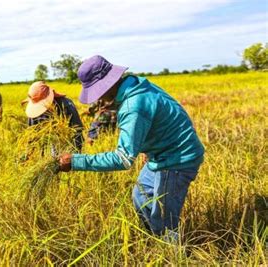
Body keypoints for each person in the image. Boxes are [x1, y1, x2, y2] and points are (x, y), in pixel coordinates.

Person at [58, 55, 205, 239]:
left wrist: (75, 161)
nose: (99, 97)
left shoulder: (133, 105)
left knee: (164, 218)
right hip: (160, 154)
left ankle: (172, 254)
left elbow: (123, 158)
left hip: (176, 159)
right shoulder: (136, 83)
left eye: (99, 91)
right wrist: (149, 147)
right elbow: (170, 112)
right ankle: (155, 239)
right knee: (141, 197)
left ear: (108, 84)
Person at [23, 81, 84, 153]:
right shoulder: (34, 112)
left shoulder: (66, 104)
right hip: (47, 147)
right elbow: (32, 134)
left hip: (68, 145)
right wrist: (29, 153)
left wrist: (74, 155)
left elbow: (77, 130)